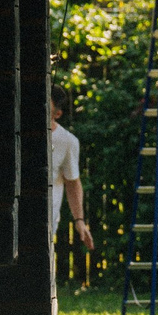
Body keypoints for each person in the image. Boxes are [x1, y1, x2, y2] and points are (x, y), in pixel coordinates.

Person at [48, 90, 92, 255]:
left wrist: (79, 220)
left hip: (46, 221)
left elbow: (72, 183)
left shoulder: (67, 141)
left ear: (57, 114)